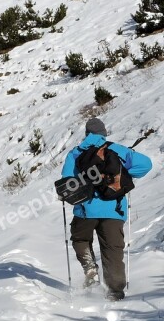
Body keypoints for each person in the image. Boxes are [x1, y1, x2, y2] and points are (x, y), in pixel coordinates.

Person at [61, 118, 152, 301]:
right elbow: (146, 165)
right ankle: (115, 291)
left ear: (87, 134)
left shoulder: (76, 153)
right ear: (104, 134)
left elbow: (66, 181)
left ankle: (90, 268)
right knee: (113, 249)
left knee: (80, 238)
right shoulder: (116, 149)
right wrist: (124, 174)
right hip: (114, 210)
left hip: (85, 210)